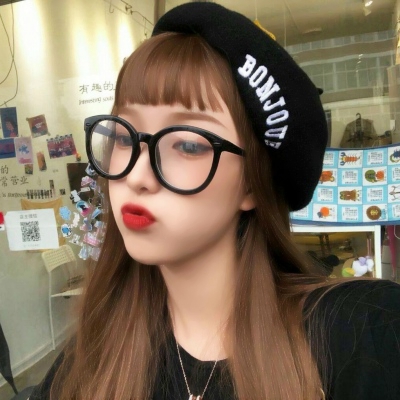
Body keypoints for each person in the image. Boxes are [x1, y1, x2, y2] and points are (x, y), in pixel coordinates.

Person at [29, 3, 400, 400]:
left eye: (188, 145)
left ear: (251, 185)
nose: (136, 176)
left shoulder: (363, 334)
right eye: (123, 137)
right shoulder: (94, 355)